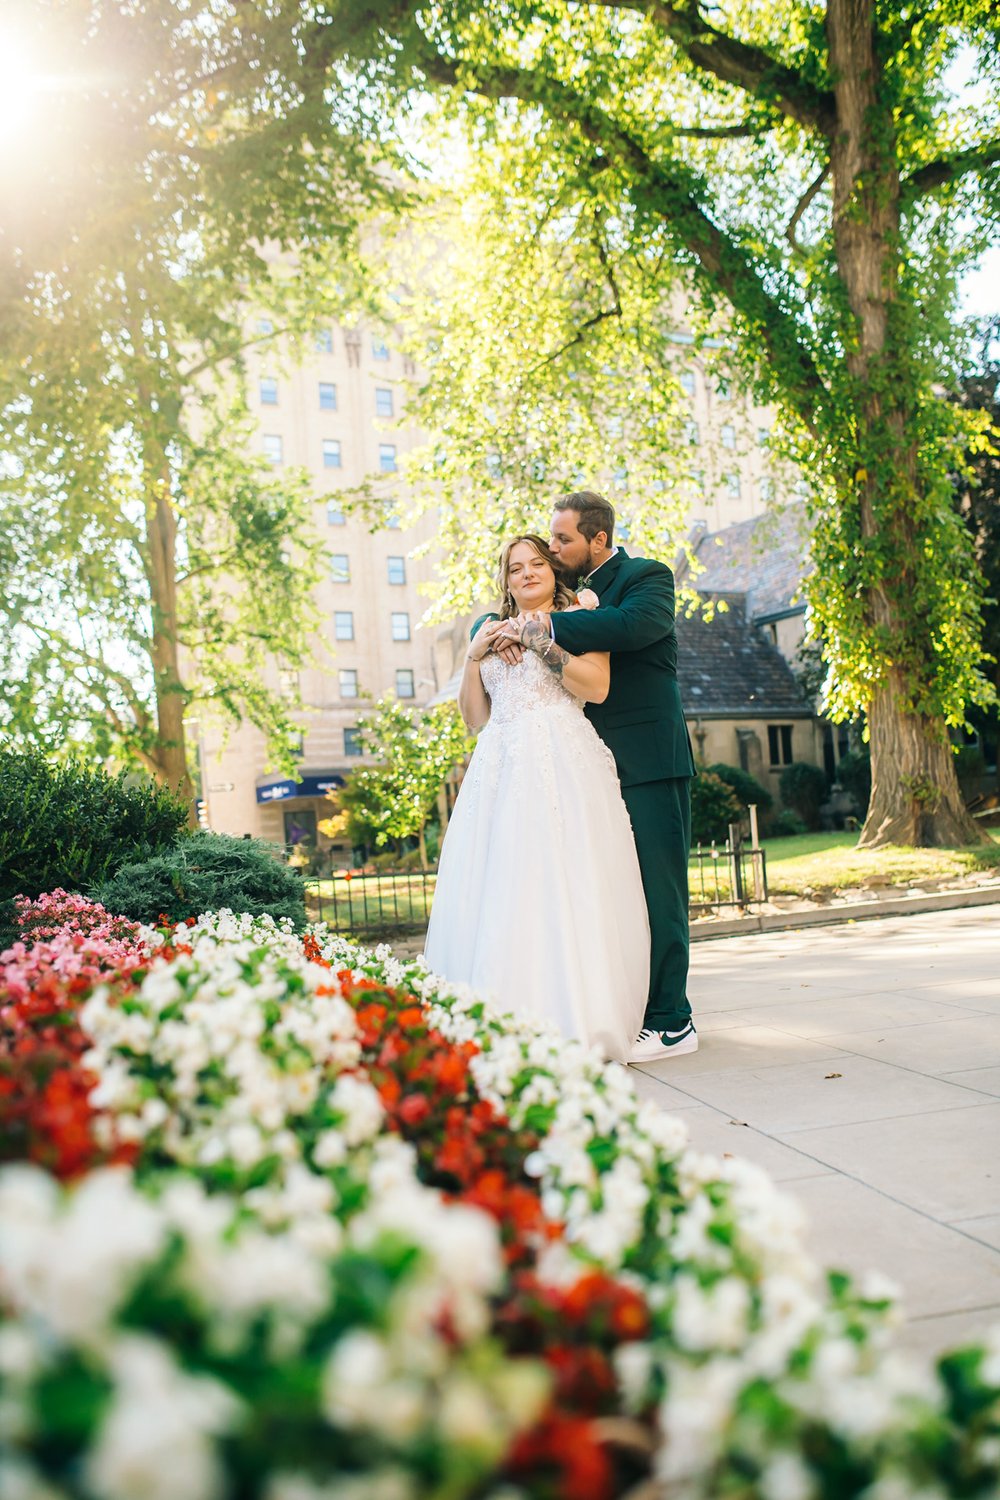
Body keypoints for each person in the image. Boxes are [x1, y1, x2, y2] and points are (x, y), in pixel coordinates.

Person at [423, 534, 649, 1062]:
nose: (525, 574)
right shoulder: (487, 628)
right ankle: (499, 1010)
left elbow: (596, 688)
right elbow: (475, 717)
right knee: (500, 884)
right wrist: (475, 656)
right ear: (505, 580)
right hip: (499, 764)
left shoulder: (578, 616)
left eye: (535, 564)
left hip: (561, 761)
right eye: (514, 568)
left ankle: (572, 1011)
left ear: (552, 570)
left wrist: (543, 643)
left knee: (562, 878)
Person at [493, 491, 696, 1063]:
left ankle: (673, 1019)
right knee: (610, 898)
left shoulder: (646, 578)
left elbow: (632, 626)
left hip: (648, 760)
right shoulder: (558, 595)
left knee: (660, 893)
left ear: (597, 540)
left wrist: (544, 624)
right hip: (582, 768)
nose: (551, 549)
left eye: (561, 541)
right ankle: (626, 1010)